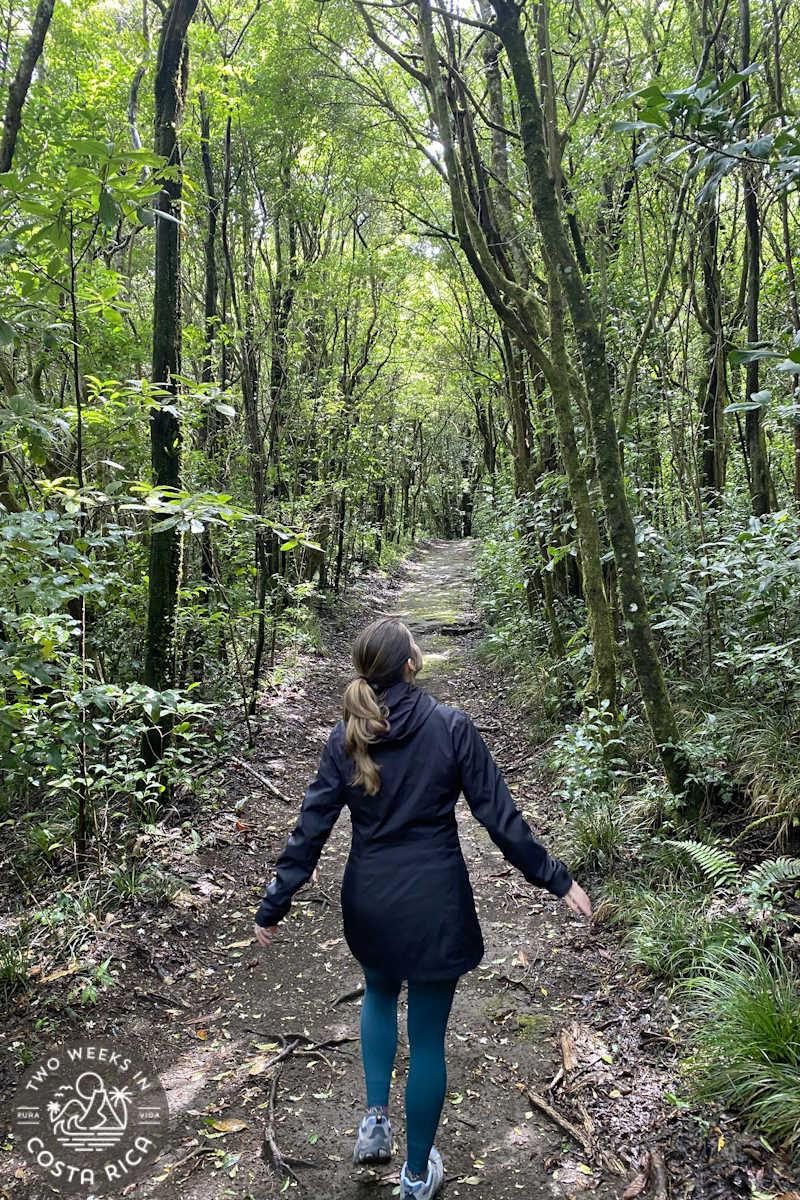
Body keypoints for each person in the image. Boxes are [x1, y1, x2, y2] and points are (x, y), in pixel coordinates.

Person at [254, 617, 591, 1199]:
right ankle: (414, 1176)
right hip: (436, 906)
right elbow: (500, 820)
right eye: (414, 643)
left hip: (371, 901)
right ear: (409, 664)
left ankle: (375, 1122)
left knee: (380, 994)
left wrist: (273, 905)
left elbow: (310, 829)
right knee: (429, 1038)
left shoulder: (346, 737)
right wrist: (557, 881)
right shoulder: (451, 727)